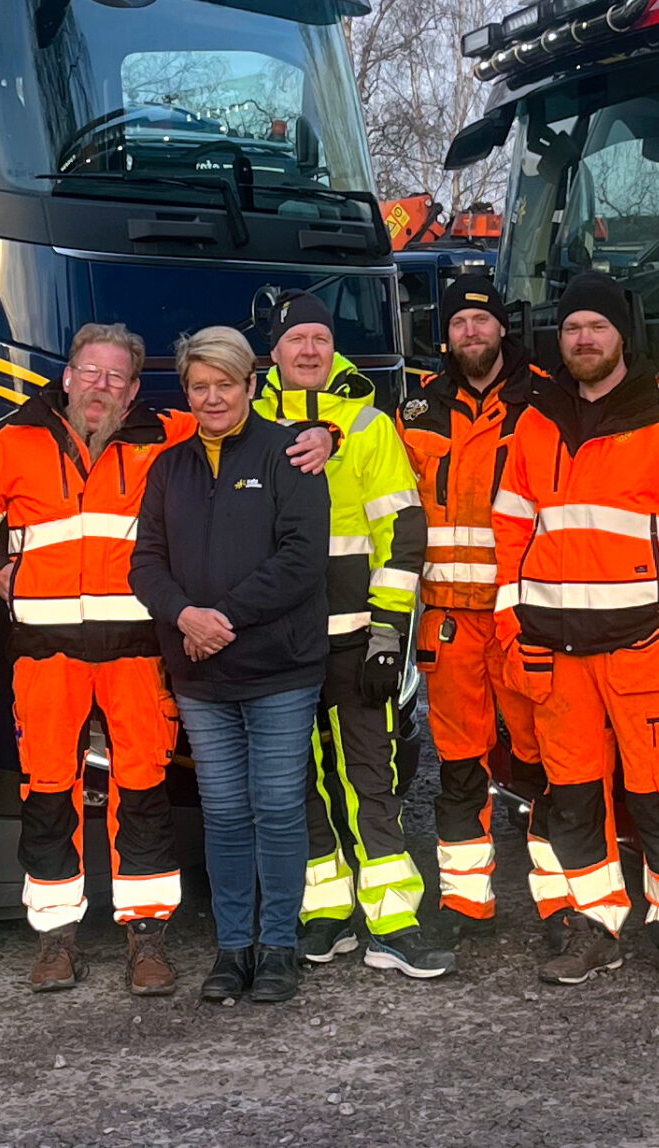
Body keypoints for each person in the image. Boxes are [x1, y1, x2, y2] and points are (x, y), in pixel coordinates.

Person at [0, 322, 329, 997]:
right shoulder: (5, 440)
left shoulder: (171, 437)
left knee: (144, 792)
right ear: (67, 376)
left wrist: (325, 433)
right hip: (44, 651)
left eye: (117, 378)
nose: (101, 387)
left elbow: (244, 421)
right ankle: (55, 939)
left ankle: (147, 936)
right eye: (90, 373)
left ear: (135, 392)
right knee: (46, 794)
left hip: (138, 650)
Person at [493, 271, 659, 994]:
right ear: (559, 340)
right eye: (572, 328)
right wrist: (512, 629)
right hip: (553, 653)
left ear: (620, 335)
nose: (584, 339)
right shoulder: (537, 424)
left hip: (642, 649)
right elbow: (507, 533)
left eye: (596, 326)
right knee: (571, 799)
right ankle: (594, 927)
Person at [130, 325, 331, 1004]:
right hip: (200, 675)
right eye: (199, 385)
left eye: (225, 384)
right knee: (222, 813)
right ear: (185, 391)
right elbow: (145, 564)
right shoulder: (170, 468)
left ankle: (278, 946)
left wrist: (224, 619)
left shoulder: (290, 455)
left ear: (251, 385)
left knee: (276, 808)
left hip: (279, 668)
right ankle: (232, 947)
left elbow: (303, 559)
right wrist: (186, 617)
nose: (212, 397)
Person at [252, 294, 445, 979]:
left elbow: (404, 535)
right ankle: (325, 912)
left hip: (357, 639)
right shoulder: (247, 422)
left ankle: (394, 922)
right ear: (272, 351)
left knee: (372, 780)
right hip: (277, 647)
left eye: (320, 338)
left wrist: (388, 636)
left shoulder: (369, 425)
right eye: (296, 338)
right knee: (296, 785)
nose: (309, 350)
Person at [400, 275, 567, 936]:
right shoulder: (415, 413)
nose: (471, 333)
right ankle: (466, 904)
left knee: (545, 761)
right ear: (446, 336)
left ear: (503, 327)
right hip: (448, 619)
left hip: (525, 613)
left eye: (482, 320)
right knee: (461, 766)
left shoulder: (547, 402)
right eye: (459, 324)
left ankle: (561, 905)